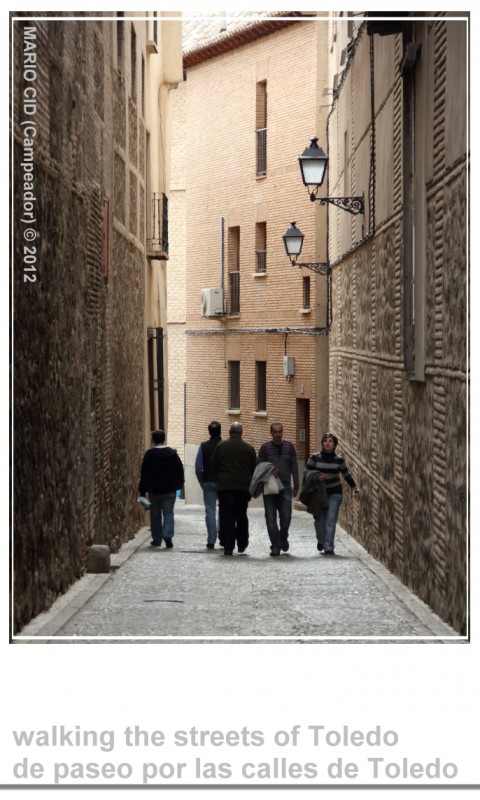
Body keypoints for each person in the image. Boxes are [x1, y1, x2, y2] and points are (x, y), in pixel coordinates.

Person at [305, 432, 360, 555]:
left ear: (335, 445)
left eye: (330, 441)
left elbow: (346, 475)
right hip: (319, 494)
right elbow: (307, 472)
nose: (327, 443)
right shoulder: (315, 458)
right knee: (319, 519)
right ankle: (321, 540)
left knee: (330, 520)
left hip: (334, 493)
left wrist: (355, 488)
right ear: (322, 444)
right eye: (325, 441)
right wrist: (316, 477)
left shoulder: (339, 460)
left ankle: (328, 546)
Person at [210, 422, 256, 556]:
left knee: (227, 516)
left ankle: (228, 545)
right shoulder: (249, 448)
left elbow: (214, 465)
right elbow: (254, 467)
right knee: (241, 515)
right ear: (241, 433)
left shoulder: (221, 446)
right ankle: (242, 543)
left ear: (230, 432)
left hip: (226, 487)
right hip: (243, 488)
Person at [257, 422, 299, 556]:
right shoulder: (264, 448)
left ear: (282, 432)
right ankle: (275, 545)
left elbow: (294, 466)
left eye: (280, 431)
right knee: (270, 517)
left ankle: (283, 537)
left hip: (285, 486)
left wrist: (296, 485)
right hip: (269, 486)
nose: (278, 434)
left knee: (286, 516)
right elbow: (259, 467)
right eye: (275, 432)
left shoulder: (290, 447)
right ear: (271, 432)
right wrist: (270, 472)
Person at [138, 430, 184, 548]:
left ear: (153, 440)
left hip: (155, 490)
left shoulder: (149, 454)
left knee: (155, 514)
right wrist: (180, 484)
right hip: (169, 489)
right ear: (164, 439)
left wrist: (142, 490)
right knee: (168, 513)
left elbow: (144, 473)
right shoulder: (172, 454)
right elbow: (180, 470)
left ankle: (157, 539)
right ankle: (167, 534)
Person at [195, 421, 222, 549]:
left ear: (209, 432)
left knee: (210, 510)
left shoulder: (203, 446)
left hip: (208, 481)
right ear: (220, 431)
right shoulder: (224, 446)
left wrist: (201, 481)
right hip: (223, 482)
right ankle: (223, 536)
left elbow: (198, 466)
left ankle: (211, 540)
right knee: (224, 510)